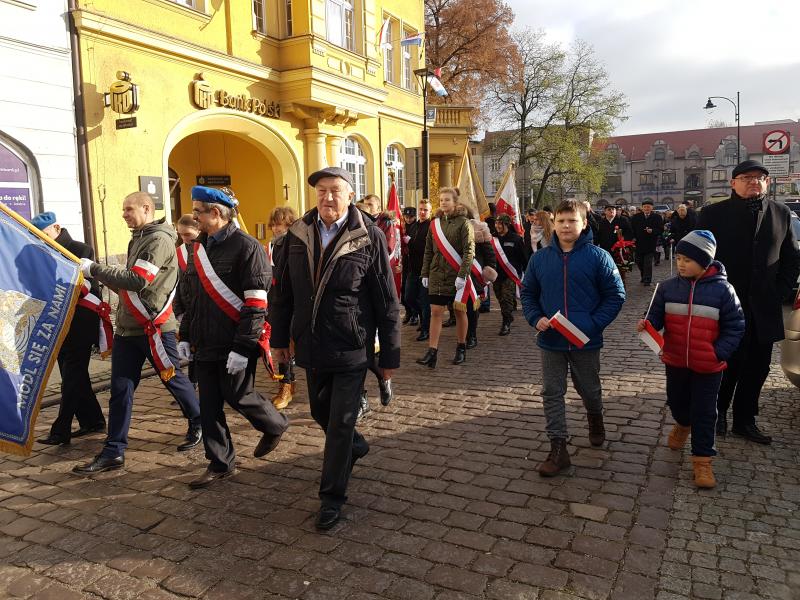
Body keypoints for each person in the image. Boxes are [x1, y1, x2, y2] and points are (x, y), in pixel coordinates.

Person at [269, 166, 400, 530]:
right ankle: (355, 447)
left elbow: (387, 301)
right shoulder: (295, 236)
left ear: (349, 195)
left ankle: (331, 498)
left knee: (341, 422)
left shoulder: (368, 236)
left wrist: (389, 356)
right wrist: (280, 341)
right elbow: (282, 296)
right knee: (319, 413)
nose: (328, 197)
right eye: (321, 191)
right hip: (311, 343)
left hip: (352, 344)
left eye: (335, 191)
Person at [73, 192, 203, 474]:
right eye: (123, 209)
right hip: (130, 328)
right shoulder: (142, 236)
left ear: (147, 208)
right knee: (120, 390)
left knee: (173, 380)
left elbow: (137, 280)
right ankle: (113, 450)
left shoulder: (157, 239)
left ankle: (199, 420)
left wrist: (95, 269)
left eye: (128, 208)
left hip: (153, 326)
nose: (123, 214)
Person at [177, 186, 289, 488]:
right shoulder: (198, 247)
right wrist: (185, 335)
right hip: (204, 342)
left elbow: (256, 303)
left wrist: (242, 347)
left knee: (239, 395)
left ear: (216, 213)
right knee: (210, 406)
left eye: (199, 211)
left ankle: (274, 423)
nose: (194, 216)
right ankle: (220, 463)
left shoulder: (246, 247)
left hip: (234, 342)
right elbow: (192, 296)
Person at [521, 199, 625, 477]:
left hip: (585, 340)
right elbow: (528, 293)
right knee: (552, 392)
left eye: (572, 221)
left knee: (588, 389)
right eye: (561, 221)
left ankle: (595, 416)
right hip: (551, 340)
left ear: (583, 224)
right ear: (553, 223)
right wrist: (535, 317)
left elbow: (615, 296)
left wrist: (593, 324)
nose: (566, 226)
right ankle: (558, 448)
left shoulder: (598, 256)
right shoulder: (539, 258)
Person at [698, 160, 800, 444]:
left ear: (767, 182)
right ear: (733, 183)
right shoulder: (712, 214)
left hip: (764, 307)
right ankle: (715, 415)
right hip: (724, 306)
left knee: (757, 367)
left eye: (760, 177)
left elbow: (792, 259)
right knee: (724, 363)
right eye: (746, 177)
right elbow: (698, 260)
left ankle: (745, 419)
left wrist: (778, 293)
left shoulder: (781, 213)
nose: (754, 181)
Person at [637, 230, 745, 488]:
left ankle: (702, 462)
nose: (681, 264)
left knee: (705, 412)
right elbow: (655, 317)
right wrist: (647, 324)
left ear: (705, 260)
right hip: (675, 362)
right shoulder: (667, 288)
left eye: (688, 259)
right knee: (677, 402)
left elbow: (736, 326)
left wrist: (717, 352)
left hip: (708, 366)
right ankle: (682, 424)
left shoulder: (724, 291)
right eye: (680, 258)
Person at [31, 212, 107, 446]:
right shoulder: (42, 252)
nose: (43, 239)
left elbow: (83, 286)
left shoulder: (80, 249)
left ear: (56, 227)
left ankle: (60, 429)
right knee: (73, 374)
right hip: (58, 322)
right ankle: (93, 420)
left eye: (44, 234)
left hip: (81, 322)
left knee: (72, 377)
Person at [417, 187, 475, 368]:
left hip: (456, 274)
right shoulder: (435, 224)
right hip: (436, 274)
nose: (443, 203)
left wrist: (463, 275)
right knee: (435, 312)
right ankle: (432, 352)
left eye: (447, 200)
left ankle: (461, 347)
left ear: (455, 202)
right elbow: (428, 250)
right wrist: (425, 273)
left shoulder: (464, 223)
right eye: (441, 200)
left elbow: (469, 251)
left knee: (459, 312)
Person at [267, 206, 297, 410]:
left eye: (279, 224)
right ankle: (286, 384)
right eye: (274, 225)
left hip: (294, 302)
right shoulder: (272, 245)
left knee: (296, 346)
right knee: (282, 346)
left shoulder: (294, 243)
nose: (276, 229)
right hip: (277, 301)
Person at [493, 213, 527, 336]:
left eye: (500, 223)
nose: (497, 226)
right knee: (500, 298)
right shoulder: (492, 239)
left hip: (510, 274)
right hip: (496, 275)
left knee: (506, 298)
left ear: (506, 224)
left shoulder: (516, 239)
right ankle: (508, 313)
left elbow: (523, 258)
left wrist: (525, 272)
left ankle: (506, 322)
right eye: (496, 223)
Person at [465, 217, 497, 349]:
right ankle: (463, 334)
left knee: (471, 308)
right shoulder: (453, 228)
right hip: (458, 275)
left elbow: (490, 255)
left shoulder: (479, 229)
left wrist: (488, 271)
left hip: (475, 276)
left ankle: (471, 335)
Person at [405, 199, 432, 342]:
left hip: (426, 271)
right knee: (408, 297)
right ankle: (423, 318)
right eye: (420, 209)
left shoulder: (432, 227)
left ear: (430, 211)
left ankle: (426, 329)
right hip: (412, 269)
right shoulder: (413, 226)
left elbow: (427, 249)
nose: (422, 212)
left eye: (425, 210)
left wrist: (411, 242)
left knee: (425, 301)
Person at [631, 200, 664, 286]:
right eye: (645, 207)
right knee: (639, 262)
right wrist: (633, 237)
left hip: (650, 243)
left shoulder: (657, 217)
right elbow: (632, 229)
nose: (646, 208)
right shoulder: (636, 217)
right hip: (639, 243)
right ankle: (643, 275)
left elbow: (660, 230)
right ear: (642, 208)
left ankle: (647, 280)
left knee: (648, 263)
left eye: (648, 207)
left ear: (652, 208)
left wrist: (652, 231)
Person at [401, 206, 419, 325]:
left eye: (411, 217)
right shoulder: (401, 227)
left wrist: (411, 241)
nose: (408, 219)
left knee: (412, 291)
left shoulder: (417, 227)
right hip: (403, 262)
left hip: (413, 262)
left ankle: (415, 314)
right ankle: (408, 312)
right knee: (403, 290)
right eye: (406, 217)